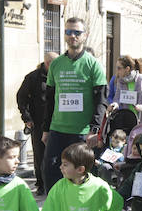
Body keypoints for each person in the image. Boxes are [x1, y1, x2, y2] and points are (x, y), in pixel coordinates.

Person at [42, 17, 107, 192]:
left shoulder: (93, 65)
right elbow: (49, 99)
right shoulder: (56, 64)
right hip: (58, 129)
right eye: (68, 32)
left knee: (79, 176)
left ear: (85, 35)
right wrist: (46, 129)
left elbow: (101, 100)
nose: (72, 36)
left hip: (82, 132)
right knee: (50, 172)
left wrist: (94, 130)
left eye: (77, 32)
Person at [17, 51, 56, 194]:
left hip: (57, 121)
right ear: (47, 64)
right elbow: (21, 98)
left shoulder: (60, 76)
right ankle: (41, 184)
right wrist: (27, 118)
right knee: (40, 154)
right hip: (38, 122)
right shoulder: (32, 78)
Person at [107, 55, 142, 124]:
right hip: (127, 120)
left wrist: (141, 107)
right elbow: (117, 99)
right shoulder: (120, 81)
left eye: (119, 68)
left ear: (127, 69)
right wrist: (114, 104)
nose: (117, 71)